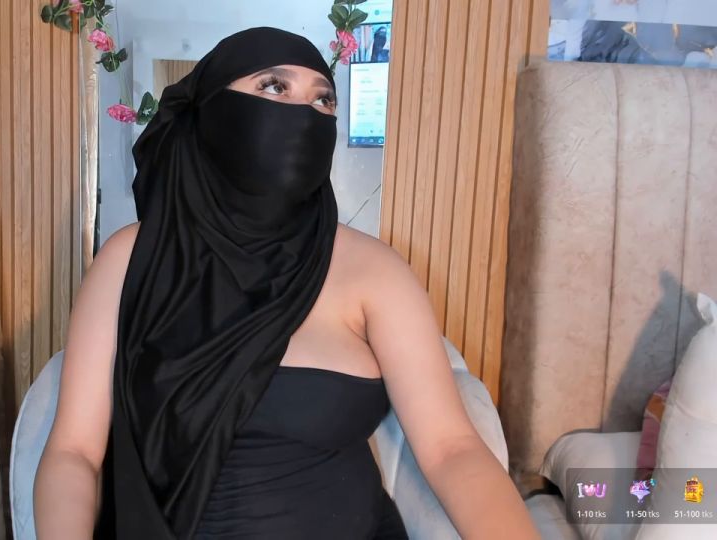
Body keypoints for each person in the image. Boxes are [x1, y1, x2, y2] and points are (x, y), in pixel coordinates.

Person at [34, 27, 539, 539]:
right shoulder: (129, 259)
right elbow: (74, 452)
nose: (305, 113)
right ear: (213, 109)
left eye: (323, 100)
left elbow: (453, 449)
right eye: (274, 87)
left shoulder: (375, 271)